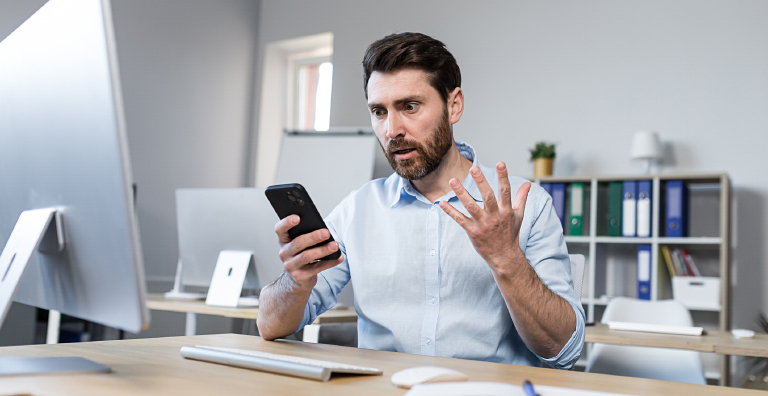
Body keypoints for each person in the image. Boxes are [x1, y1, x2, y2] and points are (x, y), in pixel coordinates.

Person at [257, 32, 585, 369]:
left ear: (453, 105)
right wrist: (295, 281)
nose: (392, 130)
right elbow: (269, 326)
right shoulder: (359, 209)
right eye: (379, 112)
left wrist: (507, 259)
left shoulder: (524, 204)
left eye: (409, 106)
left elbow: (563, 350)